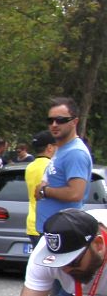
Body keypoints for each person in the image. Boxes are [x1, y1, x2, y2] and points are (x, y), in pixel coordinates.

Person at [35, 97, 93, 233]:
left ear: (74, 122)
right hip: (48, 229)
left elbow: (75, 194)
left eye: (60, 120)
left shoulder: (75, 152)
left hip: (63, 232)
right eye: (50, 120)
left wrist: (44, 191)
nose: (54, 124)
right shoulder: (61, 149)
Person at [24, 130, 55, 245]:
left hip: (32, 223)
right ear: (50, 147)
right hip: (47, 224)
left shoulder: (29, 167)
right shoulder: (52, 166)